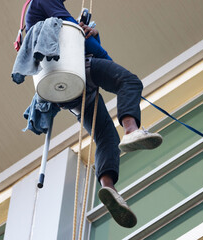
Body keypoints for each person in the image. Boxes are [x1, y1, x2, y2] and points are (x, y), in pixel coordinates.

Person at [25, 0, 163, 228]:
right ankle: (131, 130)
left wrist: (90, 33)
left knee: (106, 137)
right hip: (75, 70)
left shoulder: (36, 11)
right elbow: (77, 36)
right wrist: (104, 55)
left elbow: (72, 33)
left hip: (66, 92)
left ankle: (108, 187)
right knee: (129, 81)